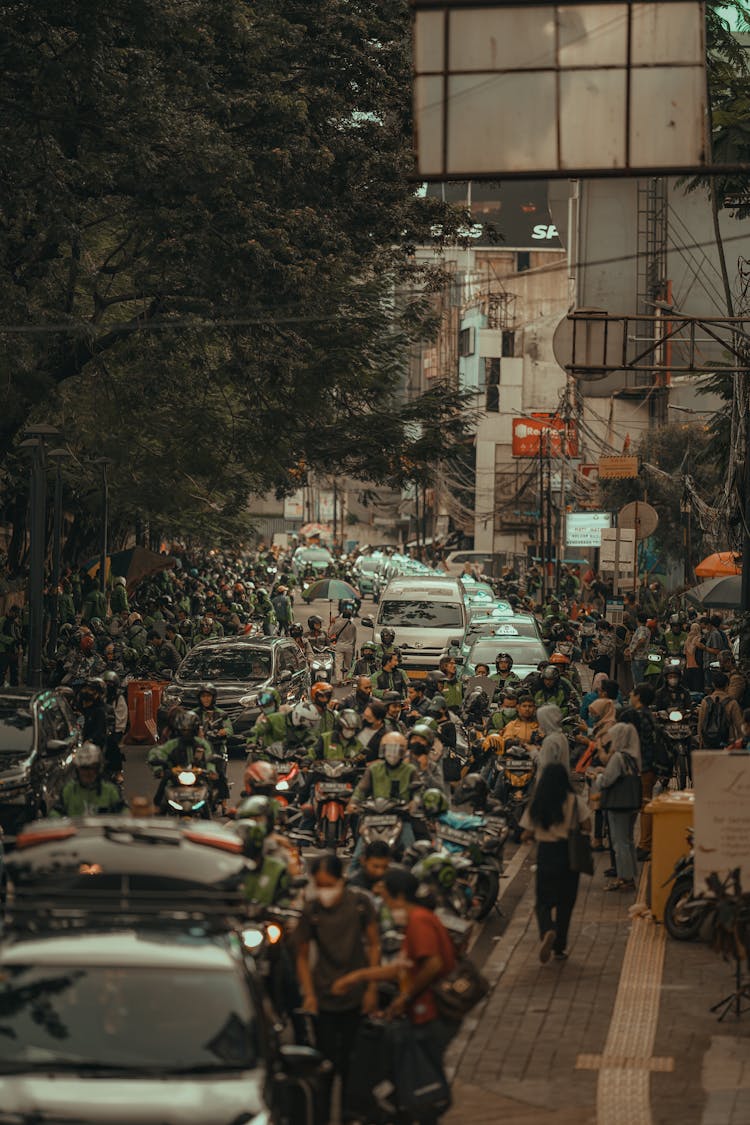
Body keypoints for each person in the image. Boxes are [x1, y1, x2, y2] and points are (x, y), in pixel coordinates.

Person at [331, 866, 457, 1114]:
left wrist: (405, 997)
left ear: (398, 897)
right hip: (425, 1011)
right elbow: (401, 969)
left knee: (424, 1077)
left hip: (432, 1011)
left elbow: (433, 964)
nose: (385, 904)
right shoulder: (416, 921)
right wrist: (358, 977)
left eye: (386, 897)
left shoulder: (419, 921)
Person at [295, 854, 380, 1123]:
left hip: (356, 997)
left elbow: (374, 944)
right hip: (324, 997)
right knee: (325, 1067)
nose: (325, 892)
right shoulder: (312, 910)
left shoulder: (360, 904)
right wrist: (308, 993)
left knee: (353, 1068)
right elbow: (301, 953)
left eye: (329, 884)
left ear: (342, 880)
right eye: (319, 885)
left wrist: (371, 989)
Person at [521, 761, 591, 961]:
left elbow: (526, 833)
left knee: (543, 902)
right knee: (565, 903)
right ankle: (559, 947)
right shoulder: (575, 801)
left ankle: (547, 930)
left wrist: (530, 836)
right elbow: (587, 826)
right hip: (568, 854)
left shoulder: (538, 802)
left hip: (546, 854)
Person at [594, 722, 642, 892]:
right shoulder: (634, 757)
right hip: (631, 803)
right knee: (628, 841)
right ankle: (630, 876)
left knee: (620, 843)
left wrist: (598, 775)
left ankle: (624, 878)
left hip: (618, 804)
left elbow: (607, 781)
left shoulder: (618, 757)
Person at [50, 742, 125, 817]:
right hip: (75, 828)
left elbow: (124, 811)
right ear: (77, 769)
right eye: (84, 768)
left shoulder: (110, 791)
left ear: (98, 769)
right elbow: (55, 812)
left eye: (92, 768)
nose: (88, 773)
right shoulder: (69, 790)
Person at [697, 670, 744, 748]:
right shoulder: (732, 703)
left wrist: (701, 743)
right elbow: (739, 725)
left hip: (708, 742)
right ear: (727, 685)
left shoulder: (705, 701)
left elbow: (701, 723)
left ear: (713, 684)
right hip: (727, 742)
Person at [535, 703, 570, 776]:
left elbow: (545, 764)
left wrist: (533, 751)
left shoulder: (550, 740)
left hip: (549, 782)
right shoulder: (561, 736)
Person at [328, 608, 357, 685]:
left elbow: (330, 634)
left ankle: (339, 679)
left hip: (340, 646)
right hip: (349, 647)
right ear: (350, 617)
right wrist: (353, 648)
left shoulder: (338, 623)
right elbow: (354, 639)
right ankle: (346, 679)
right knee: (348, 665)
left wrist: (331, 624)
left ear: (342, 615)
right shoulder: (353, 625)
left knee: (338, 664)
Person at [625, 612, 651, 688]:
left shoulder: (641, 629)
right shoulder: (647, 629)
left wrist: (633, 650)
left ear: (637, 619)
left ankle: (639, 697)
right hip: (643, 657)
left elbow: (641, 640)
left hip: (638, 658)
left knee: (638, 682)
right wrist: (629, 648)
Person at [684, 621, 705, 693]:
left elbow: (689, 651)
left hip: (693, 666)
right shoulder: (691, 639)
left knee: (694, 689)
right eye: (693, 628)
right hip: (692, 666)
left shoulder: (698, 640)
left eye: (696, 629)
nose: (694, 630)